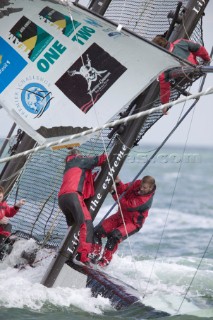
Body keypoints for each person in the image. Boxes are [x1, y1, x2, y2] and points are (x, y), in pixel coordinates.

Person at [92, 175, 156, 267]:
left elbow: (126, 205)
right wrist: (118, 183)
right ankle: (94, 256)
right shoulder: (138, 183)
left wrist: (114, 192)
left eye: (144, 188)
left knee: (114, 236)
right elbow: (124, 189)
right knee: (97, 232)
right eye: (141, 186)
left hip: (132, 223)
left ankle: (104, 262)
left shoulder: (145, 201)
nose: (141, 188)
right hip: (120, 215)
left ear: (150, 188)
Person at [58, 148, 107, 265]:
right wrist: (111, 154)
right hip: (73, 196)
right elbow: (100, 159)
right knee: (86, 224)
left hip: (62, 199)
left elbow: (84, 179)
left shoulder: (69, 166)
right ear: (77, 155)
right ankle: (82, 257)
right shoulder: (79, 160)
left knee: (73, 226)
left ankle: (66, 254)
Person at [152, 35, 211, 114]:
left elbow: (164, 87)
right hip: (195, 68)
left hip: (183, 77)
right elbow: (198, 48)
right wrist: (207, 59)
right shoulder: (181, 42)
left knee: (165, 77)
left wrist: (165, 104)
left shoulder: (164, 64)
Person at [0, 186, 25, 258]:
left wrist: (17, 205)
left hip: (2, 234)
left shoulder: (3, 205)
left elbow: (10, 212)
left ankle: (5, 244)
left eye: (0, 197)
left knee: (8, 226)